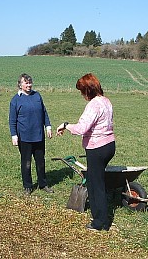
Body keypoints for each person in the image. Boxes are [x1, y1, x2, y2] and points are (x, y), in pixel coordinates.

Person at [56, 73, 116, 231]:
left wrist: (66, 125)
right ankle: (100, 216)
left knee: (96, 185)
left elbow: (81, 128)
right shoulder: (106, 101)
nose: (82, 95)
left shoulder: (94, 105)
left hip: (97, 148)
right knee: (96, 181)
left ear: (88, 90)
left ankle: (100, 222)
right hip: (110, 145)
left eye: (82, 91)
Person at [9, 73, 54, 195]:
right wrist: (14, 135)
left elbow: (44, 112)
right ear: (20, 84)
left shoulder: (37, 96)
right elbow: (12, 120)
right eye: (26, 83)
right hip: (24, 137)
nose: (29, 85)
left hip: (38, 135)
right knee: (26, 162)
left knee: (41, 162)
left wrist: (48, 126)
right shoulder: (15, 100)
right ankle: (27, 186)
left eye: (30, 83)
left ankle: (43, 184)